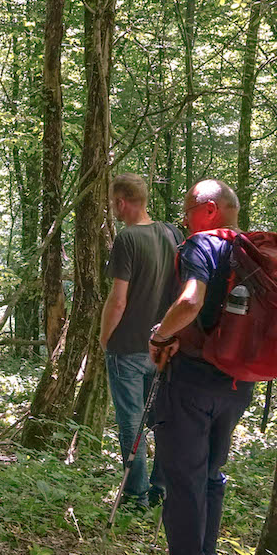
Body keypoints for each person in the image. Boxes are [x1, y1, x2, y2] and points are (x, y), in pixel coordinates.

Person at [148, 180, 256, 555]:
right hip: (238, 381)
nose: (185, 217)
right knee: (211, 471)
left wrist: (160, 336)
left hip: (193, 379)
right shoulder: (250, 251)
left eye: (189, 207)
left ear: (209, 209)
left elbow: (191, 301)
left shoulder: (203, 245)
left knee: (183, 473)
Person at [100, 173, 180, 509]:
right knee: (161, 421)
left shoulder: (127, 239)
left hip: (129, 346)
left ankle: (135, 495)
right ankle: (161, 488)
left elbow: (118, 300)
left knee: (131, 423)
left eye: (114, 203)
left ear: (121, 202)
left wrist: (105, 338)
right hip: (163, 345)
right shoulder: (172, 233)